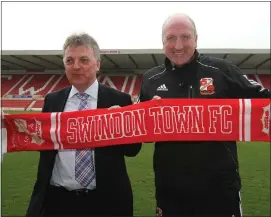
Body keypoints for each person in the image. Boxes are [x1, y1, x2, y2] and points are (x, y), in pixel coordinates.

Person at [138, 13, 271, 217]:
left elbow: (263, 98)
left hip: (220, 190)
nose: (179, 45)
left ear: (196, 39)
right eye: (171, 38)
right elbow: (142, 134)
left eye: (186, 37)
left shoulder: (221, 71)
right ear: (162, 41)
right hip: (170, 192)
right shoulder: (150, 80)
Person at [26, 33, 142, 217]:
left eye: (84, 60)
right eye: (69, 60)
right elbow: (39, 141)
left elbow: (133, 150)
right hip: (57, 201)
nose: (76, 66)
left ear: (97, 64)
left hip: (105, 202)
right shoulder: (52, 101)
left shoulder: (120, 100)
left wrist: (120, 126)